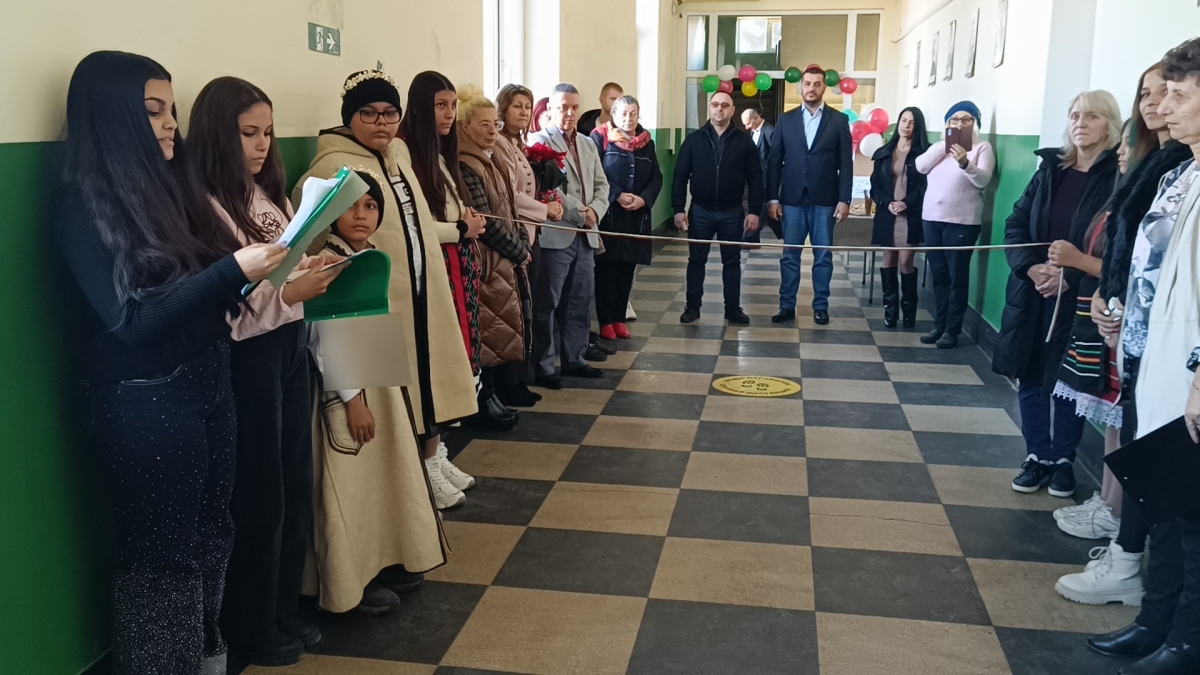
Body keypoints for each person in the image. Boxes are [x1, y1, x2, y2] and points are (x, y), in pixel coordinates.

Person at [57, 51, 286, 675]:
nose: (169, 124)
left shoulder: (170, 183)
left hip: (207, 376)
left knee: (213, 532)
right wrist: (232, 269)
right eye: (153, 110)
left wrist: (273, 271)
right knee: (162, 560)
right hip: (143, 399)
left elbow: (210, 287)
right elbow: (132, 320)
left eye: (172, 110)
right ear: (114, 116)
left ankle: (207, 657)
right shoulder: (83, 203)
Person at [189, 77, 343, 667]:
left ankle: (283, 608)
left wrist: (311, 266)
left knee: (294, 482)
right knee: (259, 495)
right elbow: (235, 304)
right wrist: (293, 292)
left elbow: (282, 262)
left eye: (268, 133)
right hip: (249, 358)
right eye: (248, 133)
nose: (262, 145)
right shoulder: (205, 203)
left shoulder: (265, 193)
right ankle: (251, 626)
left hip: (289, 347)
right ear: (216, 135)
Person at [296, 69, 478, 512]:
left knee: (431, 379)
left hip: (421, 285)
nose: (381, 123)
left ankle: (432, 457)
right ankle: (411, 478)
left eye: (390, 113)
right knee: (391, 394)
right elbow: (308, 241)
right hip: (378, 296)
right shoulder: (331, 167)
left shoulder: (397, 153)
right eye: (369, 113)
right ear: (350, 116)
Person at [1055, 62, 1193, 615]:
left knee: (1162, 468)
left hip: (1175, 349)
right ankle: (1139, 577)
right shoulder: (1167, 167)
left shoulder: (1179, 167)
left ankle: (1149, 588)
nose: (1159, 105)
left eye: (1175, 94)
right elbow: (1135, 254)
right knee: (1137, 444)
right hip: (1136, 332)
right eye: (1151, 94)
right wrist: (1112, 297)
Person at [1087, 38, 1200, 675]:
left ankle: (1185, 643)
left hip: (1189, 375)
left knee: (1192, 516)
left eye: (1179, 95)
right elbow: (1145, 264)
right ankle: (1154, 622)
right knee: (1166, 506)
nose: (1163, 108)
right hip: (1150, 358)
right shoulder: (1181, 172)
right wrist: (1116, 310)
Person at [307, 169, 447, 617]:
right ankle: (352, 581)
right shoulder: (327, 262)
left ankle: (383, 561)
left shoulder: (367, 256)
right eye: (350, 206)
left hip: (376, 385)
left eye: (370, 206)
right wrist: (353, 400)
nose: (361, 215)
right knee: (351, 486)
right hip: (348, 394)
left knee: (379, 481)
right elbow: (323, 338)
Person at [993, 90, 1122, 501]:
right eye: (1075, 116)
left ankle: (1063, 459)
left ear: (1110, 123)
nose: (1081, 123)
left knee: (1070, 379)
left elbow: (1116, 246)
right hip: (1034, 292)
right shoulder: (1050, 170)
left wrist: (1072, 274)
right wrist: (1031, 268)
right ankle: (1037, 455)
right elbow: (1016, 224)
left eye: (1092, 116)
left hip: (1081, 295)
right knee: (1030, 373)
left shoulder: (1119, 177)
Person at [400, 72, 506, 481]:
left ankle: (438, 451)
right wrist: (461, 229)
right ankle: (427, 462)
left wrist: (466, 220)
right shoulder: (405, 152)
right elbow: (415, 223)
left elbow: (450, 205)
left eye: (451, 106)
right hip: (435, 265)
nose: (447, 114)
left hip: (457, 265)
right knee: (438, 362)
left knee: (457, 357)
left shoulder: (442, 153)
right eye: (439, 106)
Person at [1047, 122, 1132, 545]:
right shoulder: (1122, 194)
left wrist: (1079, 262)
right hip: (1100, 312)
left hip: (1125, 325)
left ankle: (1119, 514)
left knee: (1126, 421)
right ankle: (1108, 502)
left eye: (1131, 143)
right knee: (1115, 422)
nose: (1123, 152)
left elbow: (1129, 268)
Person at [457, 85, 534, 425]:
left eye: (495, 124)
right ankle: (483, 397)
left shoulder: (491, 159)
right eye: (484, 124)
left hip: (504, 258)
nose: (492, 131)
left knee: (500, 328)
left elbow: (511, 209)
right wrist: (518, 250)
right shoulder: (465, 164)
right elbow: (484, 219)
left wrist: (522, 242)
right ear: (465, 128)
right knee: (487, 332)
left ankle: (495, 393)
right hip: (487, 260)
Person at [527, 83, 611, 388]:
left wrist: (596, 212)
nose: (570, 113)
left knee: (580, 300)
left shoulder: (588, 143)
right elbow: (551, 189)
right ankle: (544, 366)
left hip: (586, 234)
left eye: (575, 107)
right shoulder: (539, 142)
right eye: (563, 107)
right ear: (550, 108)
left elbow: (602, 184)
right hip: (557, 234)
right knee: (547, 303)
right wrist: (581, 213)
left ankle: (575, 359)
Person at [767, 66, 854, 326]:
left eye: (817, 84)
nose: (811, 88)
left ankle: (821, 306)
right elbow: (774, 161)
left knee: (823, 256)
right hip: (792, 199)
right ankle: (786, 306)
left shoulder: (838, 121)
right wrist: (773, 198)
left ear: (824, 87)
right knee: (790, 255)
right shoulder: (786, 120)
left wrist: (845, 199)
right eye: (807, 83)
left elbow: (845, 164)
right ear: (801, 87)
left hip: (825, 199)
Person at [493, 83, 562, 406]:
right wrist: (544, 209)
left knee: (527, 307)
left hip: (531, 232)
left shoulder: (520, 143)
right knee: (515, 310)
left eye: (526, 106)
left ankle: (520, 377)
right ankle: (510, 382)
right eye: (516, 106)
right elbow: (510, 195)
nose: (522, 112)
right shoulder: (500, 144)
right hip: (515, 234)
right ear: (503, 109)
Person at [672, 92, 761, 325]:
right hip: (700, 210)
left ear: (732, 110)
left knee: (732, 262)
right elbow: (680, 176)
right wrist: (678, 208)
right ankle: (692, 307)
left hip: (732, 211)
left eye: (724, 105)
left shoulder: (744, 142)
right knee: (696, 261)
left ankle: (732, 308)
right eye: (715, 105)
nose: (719, 109)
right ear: (709, 109)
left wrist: (754, 211)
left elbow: (755, 178)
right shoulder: (693, 140)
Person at [915, 101, 996, 348]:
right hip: (932, 218)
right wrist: (945, 146)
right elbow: (920, 166)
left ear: (975, 123)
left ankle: (952, 330)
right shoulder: (939, 147)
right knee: (939, 276)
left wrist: (964, 162)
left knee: (957, 277)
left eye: (966, 119)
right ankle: (939, 325)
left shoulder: (982, 147)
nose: (959, 124)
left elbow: (983, 180)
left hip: (962, 222)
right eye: (954, 120)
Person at [591, 95, 662, 339]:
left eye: (633, 113)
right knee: (607, 270)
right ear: (613, 115)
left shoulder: (647, 142)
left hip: (636, 217)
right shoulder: (600, 138)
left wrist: (644, 199)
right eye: (623, 113)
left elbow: (656, 177)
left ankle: (619, 318)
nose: (628, 118)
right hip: (610, 214)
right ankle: (606, 321)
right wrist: (617, 195)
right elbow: (596, 173)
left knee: (627, 270)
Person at [869, 107, 930, 328]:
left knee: (905, 261)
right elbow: (875, 185)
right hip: (888, 213)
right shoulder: (884, 152)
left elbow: (925, 186)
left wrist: (907, 203)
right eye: (903, 120)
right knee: (888, 261)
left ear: (917, 126)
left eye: (911, 122)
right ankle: (890, 311)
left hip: (910, 214)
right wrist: (887, 203)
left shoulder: (925, 153)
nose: (906, 125)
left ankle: (909, 311)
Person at [741, 107, 782, 241]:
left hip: (767, 177)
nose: (746, 127)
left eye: (748, 123)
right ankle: (784, 234)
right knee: (767, 210)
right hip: (758, 176)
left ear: (756, 118)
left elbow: (776, 156)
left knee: (762, 205)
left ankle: (750, 237)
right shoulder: (753, 132)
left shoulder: (770, 132)